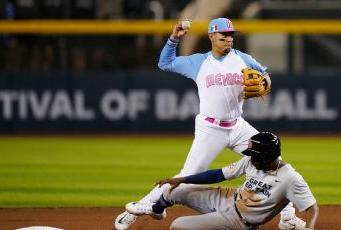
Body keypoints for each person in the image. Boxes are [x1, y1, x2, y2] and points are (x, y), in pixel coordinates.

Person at [115, 18, 305, 230]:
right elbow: (165, 63)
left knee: (276, 164)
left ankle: (287, 218)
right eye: (224, 37)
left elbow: (266, 77)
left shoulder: (243, 59)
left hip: (238, 126)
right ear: (211, 37)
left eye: (231, 37)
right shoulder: (198, 62)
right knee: (188, 174)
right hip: (210, 128)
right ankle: (143, 206)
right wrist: (173, 39)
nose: (229, 41)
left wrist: (264, 83)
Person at [126, 132, 319, 230]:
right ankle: (157, 211)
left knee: (178, 225)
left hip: (240, 221)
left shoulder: (291, 178)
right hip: (229, 199)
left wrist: (309, 228)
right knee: (172, 191)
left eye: (255, 155)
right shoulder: (251, 161)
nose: (250, 157)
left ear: (268, 156)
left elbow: (311, 207)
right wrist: (182, 178)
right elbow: (218, 174)